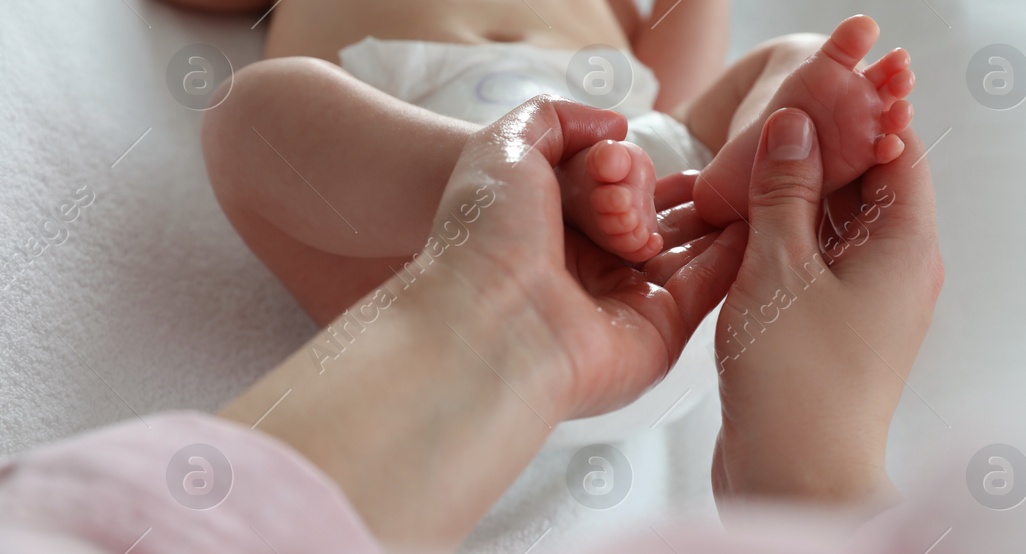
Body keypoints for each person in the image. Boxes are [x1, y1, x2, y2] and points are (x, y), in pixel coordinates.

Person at [0, 94, 941, 552]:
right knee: (253, 112)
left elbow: (686, 90)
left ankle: (786, 141)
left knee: (762, 81)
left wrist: (779, 97)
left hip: (675, 234)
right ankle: (496, 176)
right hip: (416, 233)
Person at [166, 0, 916, 327]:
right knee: (253, 112)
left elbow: (672, 97)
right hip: (423, 218)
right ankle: (508, 180)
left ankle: (736, 187)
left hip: (651, 209)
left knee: (791, 54)